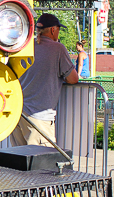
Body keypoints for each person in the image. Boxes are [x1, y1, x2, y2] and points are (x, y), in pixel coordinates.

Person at [10, 13, 79, 147]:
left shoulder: (24, 47)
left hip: (18, 113)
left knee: (19, 163)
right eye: (58, 30)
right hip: (38, 116)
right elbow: (73, 78)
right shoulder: (58, 49)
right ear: (53, 30)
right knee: (42, 162)